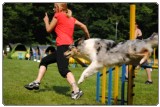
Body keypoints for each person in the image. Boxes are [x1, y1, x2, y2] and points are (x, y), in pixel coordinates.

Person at [24, 3, 90, 100]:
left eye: (55, 7)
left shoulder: (58, 15)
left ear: (59, 8)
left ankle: (76, 90)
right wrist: (88, 38)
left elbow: (48, 29)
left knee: (63, 69)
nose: (53, 9)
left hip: (63, 46)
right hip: (67, 46)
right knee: (44, 61)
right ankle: (37, 82)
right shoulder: (72, 19)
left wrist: (46, 21)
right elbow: (84, 26)